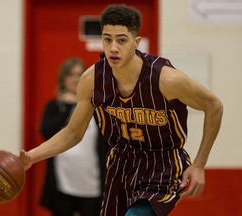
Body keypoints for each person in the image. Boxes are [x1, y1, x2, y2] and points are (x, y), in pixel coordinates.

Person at [19, 4, 223, 216]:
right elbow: (72, 132)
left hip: (162, 165)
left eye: (121, 40)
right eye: (107, 39)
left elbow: (214, 106)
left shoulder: (166, 79)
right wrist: (31, 157)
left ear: (136, 42)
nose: (113, 47)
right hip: (121, 165)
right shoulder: (93, 80)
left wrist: (199, 164)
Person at [39, 58, 107, 216]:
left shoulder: (97, 108)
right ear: (63, 79)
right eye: (71, 75)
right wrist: (67, 108)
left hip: (92, 181)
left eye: (79, 74)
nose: (76, 79)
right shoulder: (54, 107)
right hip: (63, 181)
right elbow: (46, 132)